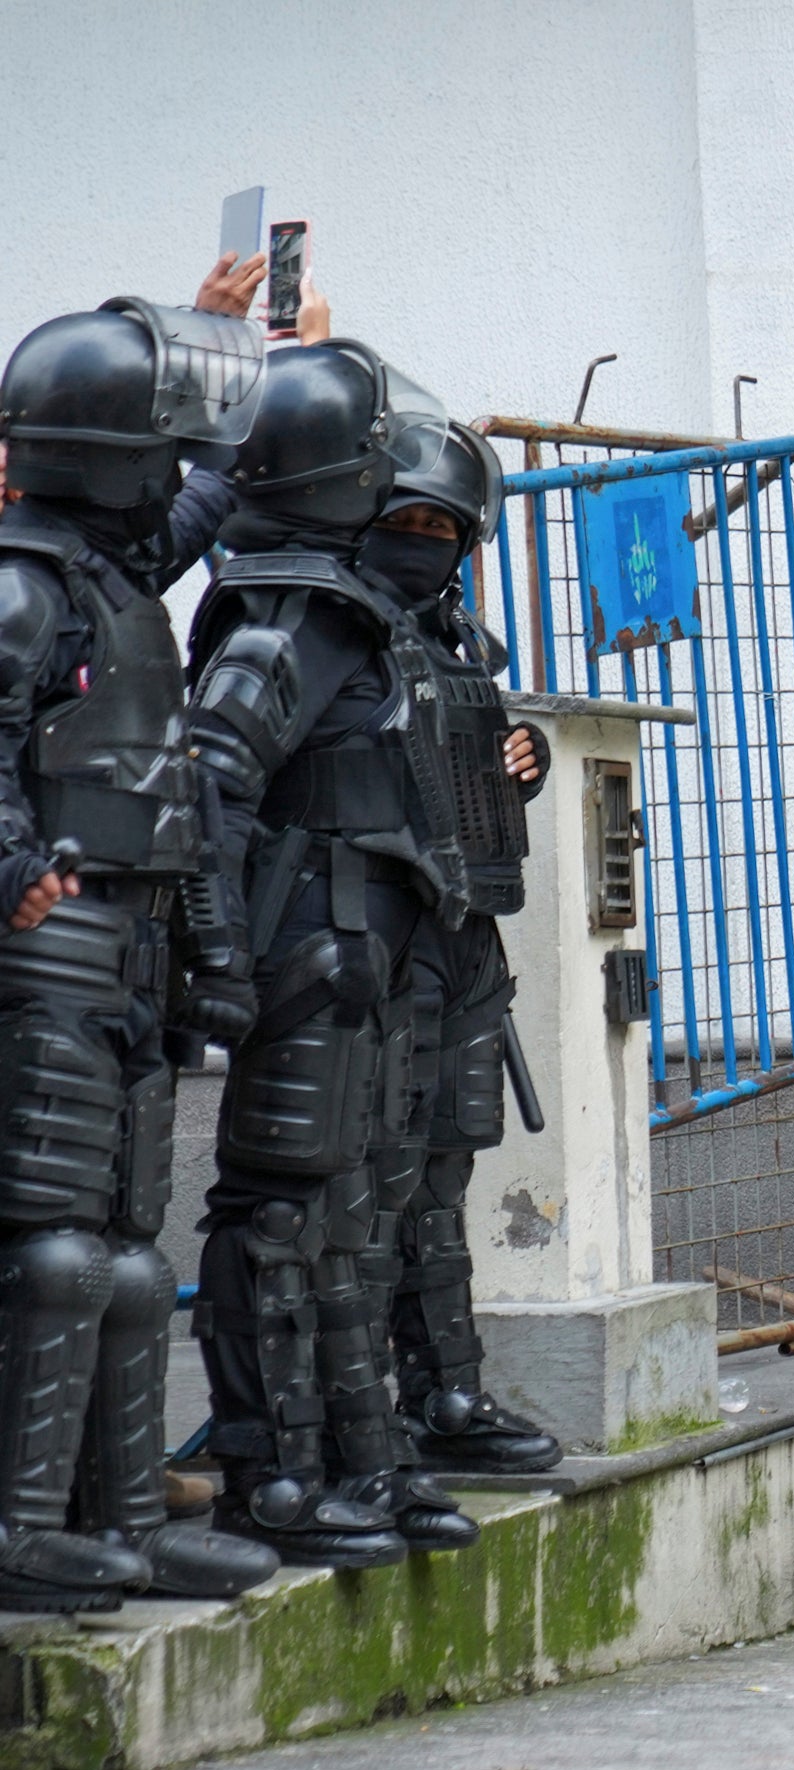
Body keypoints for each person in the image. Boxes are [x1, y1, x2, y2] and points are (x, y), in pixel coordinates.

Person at [187, 332, 493, 1569]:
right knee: (280, 1216)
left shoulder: (374, 623)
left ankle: (369, 1460)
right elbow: (214, 779)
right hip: (309, 948)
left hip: (381, 947)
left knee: (359, 1216)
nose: (424, 534)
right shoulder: (294, 614)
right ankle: (273, 1472)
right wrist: (214, 949)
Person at [0, 293, 278, 1607]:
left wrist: (264, 344)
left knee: (128, 1253)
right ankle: (21, 1526)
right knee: (55, 1252)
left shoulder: (106, 579)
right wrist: (15, 875)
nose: (172, 468)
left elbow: (207, 488)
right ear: (103, 451)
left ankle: (121, 1516)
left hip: (132, 942)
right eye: (152, 445)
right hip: (53, 943)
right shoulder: (23, 584)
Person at [370, 421, 559, 1480]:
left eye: (443, 526)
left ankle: (448, 1393)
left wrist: (516, 764)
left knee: (440, 1180)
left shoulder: (460, 641)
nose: (425, 541)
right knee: (372, 1183)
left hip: (463, 941)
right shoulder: (328, 631)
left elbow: (478, 771)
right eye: (407, 521)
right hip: (375, 940)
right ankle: (362, 1418)